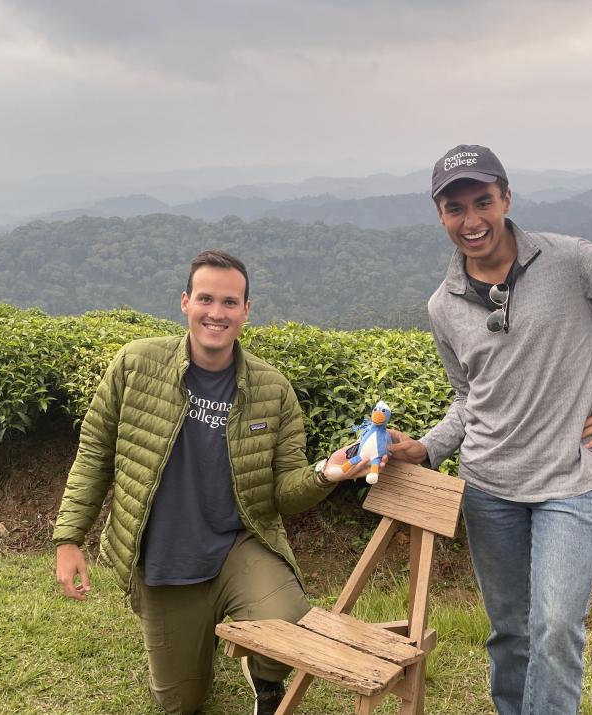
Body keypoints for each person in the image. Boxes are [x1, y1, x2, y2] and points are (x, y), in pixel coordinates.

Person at [387, 145, 592, 714]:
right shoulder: (443, 305)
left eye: (482, 201)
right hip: (489, 488)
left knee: (554, 629)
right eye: (455, 208)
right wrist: (427, 447)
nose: (471, 220)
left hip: (571, 484)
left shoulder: (573, 261)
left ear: (506, 198)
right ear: (440, 215)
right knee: (510, 632)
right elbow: (469, 397)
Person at [53, 249, 372, 715]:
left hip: (237, 547)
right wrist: (68, 538)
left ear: (246, 311)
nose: (216, 313)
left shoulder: (272, 388)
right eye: (206, 299)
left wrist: (328, 473)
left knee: (288, 628)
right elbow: (94, 454)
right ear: (185, 302)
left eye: (229, 302)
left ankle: (264, 678)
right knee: (179, 703)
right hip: (167, 563)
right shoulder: (135, 365)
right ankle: (206, 646)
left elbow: (283, 492)